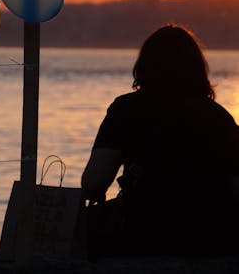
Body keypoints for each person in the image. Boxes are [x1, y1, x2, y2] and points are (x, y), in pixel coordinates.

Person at [81, 24, 239, 259]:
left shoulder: (126, 109)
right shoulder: (219, 117)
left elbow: (94, 183)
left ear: (144, 66)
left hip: (140, 234)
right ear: (198, 69)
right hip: (210, 239)